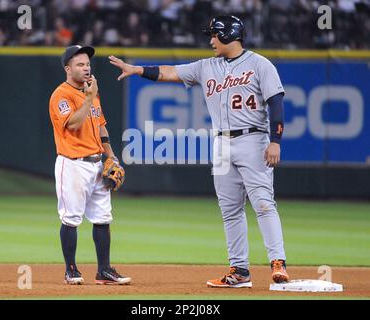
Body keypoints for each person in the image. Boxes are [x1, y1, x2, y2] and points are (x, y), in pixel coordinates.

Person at [108, 15, 289, 288]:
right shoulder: (206, 67)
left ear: (230, 35)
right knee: (230, 210)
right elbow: (170, 72)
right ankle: (239, 271)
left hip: (254, 139)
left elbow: (276, 103)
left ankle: (278, 262)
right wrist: (137, 70)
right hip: (221, 144)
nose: (211, 40)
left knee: (263, 204)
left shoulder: (260, 65)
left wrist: (275, 140)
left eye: (215, 35)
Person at [49, 45, 131, 285]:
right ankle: (71, 269)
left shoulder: (92, 93)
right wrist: (87, 98)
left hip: (97, 163)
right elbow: (73, 124)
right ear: (68, 68)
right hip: (73, 164)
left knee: (103, 217)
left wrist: (112, 157)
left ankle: (104, 270)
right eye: (80, 65)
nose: (86, 68)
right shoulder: (61, 95)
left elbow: (101, 126)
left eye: (87, 64)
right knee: (71, 218)